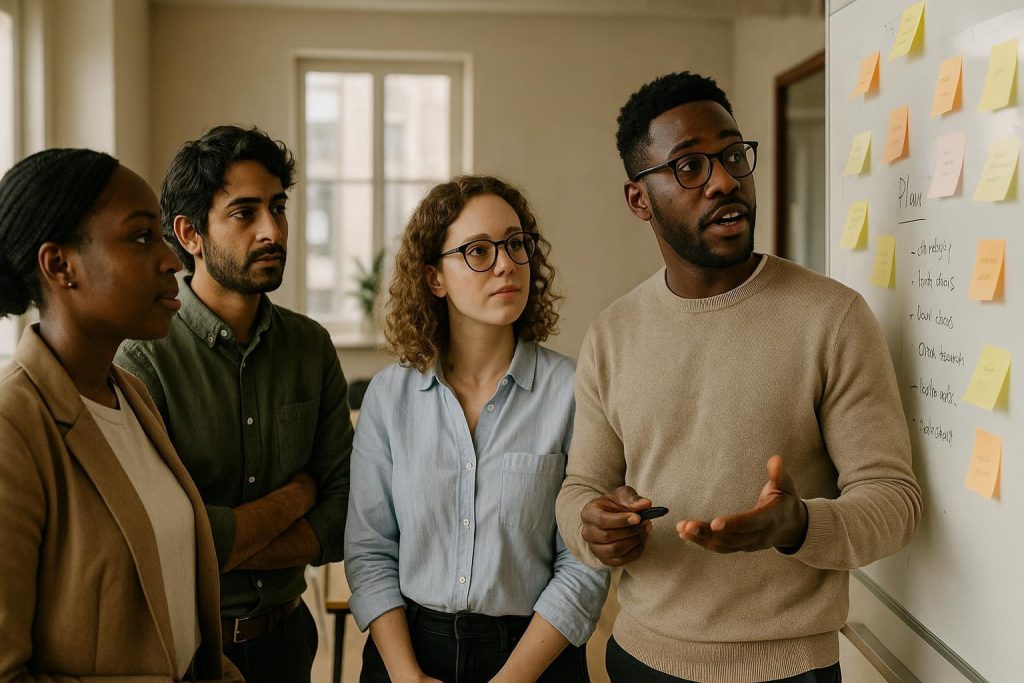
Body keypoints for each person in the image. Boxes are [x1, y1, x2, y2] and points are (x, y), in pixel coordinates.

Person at [555, 71, 923, 683]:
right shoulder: (613, 333)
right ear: (639, 199)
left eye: (731, 155)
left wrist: (800, 525)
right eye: (689, 167)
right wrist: (594, 527)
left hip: (790, 669)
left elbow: (894, 501)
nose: (724, 180)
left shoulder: (831, 317)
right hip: (641, 660)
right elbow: (580, 489)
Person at [345, 175, 609, 683]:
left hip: (537, 657)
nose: (506, 263)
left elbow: (584, 563)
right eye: (478, 251)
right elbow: (370, 549)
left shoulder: (573, 390)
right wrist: (405, 676)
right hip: (407, 654)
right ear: (434, 278)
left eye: (515, 244)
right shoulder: (388, 397)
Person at [116, 126, 353, 682]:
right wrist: (298, 496)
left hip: (290, 644)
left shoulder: (310, 346)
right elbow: (162, 539)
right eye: (244, 213)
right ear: (190, 235)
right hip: (186, 654)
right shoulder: (142, 360)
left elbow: (344, 518)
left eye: (278, 207)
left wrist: (220, 541)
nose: (273, 230)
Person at [0, 148, 241, 681]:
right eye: (140, 237)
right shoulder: (12, 429)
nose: (173, 260)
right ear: (60, 265)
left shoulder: (130, 396)